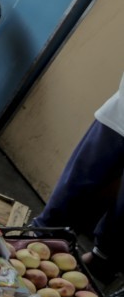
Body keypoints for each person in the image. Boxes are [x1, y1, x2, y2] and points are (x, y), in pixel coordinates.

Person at [31, 72, 123, 285]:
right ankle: (39, 238)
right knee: (80, 181)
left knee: (121, 213)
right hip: (119, 119)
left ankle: (101, 260)